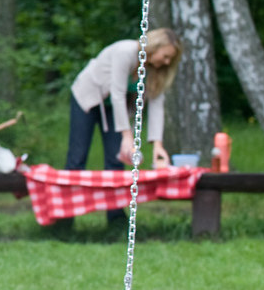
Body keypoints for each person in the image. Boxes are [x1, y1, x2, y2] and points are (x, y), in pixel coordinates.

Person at [64, 27, 183, 224]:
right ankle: (66, 217)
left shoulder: (155, 71)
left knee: (116, 158)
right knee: (77, 158)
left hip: (113, 108)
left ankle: (115, 216)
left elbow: (156, 105)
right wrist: (127, 136)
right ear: (155, 47)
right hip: (87, 97)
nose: (167, 62)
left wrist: (157, 145)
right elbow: (117, 93)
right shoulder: (125, 52)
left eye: (170, 59)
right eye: (166, 56)